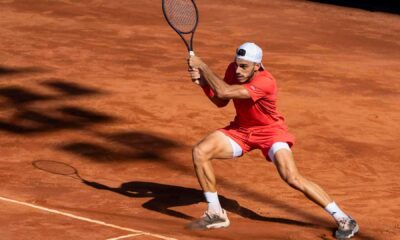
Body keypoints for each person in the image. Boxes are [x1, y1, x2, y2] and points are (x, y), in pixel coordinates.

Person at [186, 42, 359, 239]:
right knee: (201, 151)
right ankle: (216, 213)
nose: (238, 70)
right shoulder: (233, 71)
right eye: (237, 64)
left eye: (244, 66)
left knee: (291, 177)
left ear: (257, 66)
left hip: (271, 133)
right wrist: (202, 83)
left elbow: (225, 91)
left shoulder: (266, 82)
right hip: (242, 130)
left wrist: (203, 66)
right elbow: (221, 100)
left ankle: (344, 219)